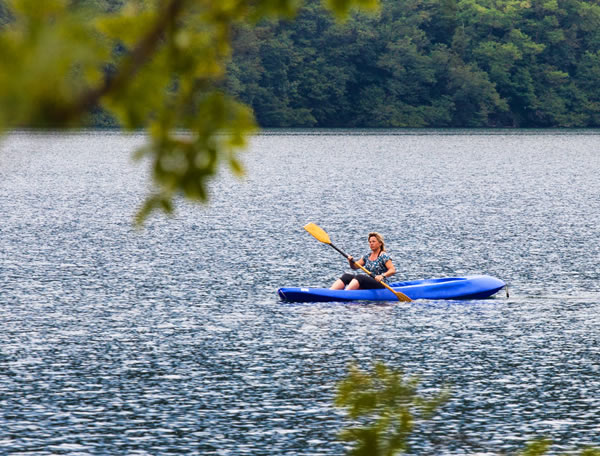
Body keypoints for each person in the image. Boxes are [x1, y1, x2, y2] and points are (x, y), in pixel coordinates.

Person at [330, 232, 396, 290]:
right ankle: (331, 291)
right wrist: (350, 261)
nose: (371, 243)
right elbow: (355, 267)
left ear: (380, 244)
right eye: (370, 242)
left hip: (381, 284)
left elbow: (392, 270)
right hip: (370, 283)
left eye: (373, 241)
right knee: (346, 276)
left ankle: (346, 293)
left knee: (360, 277)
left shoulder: (383, 256)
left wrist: (382, 276)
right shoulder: (367, 256)